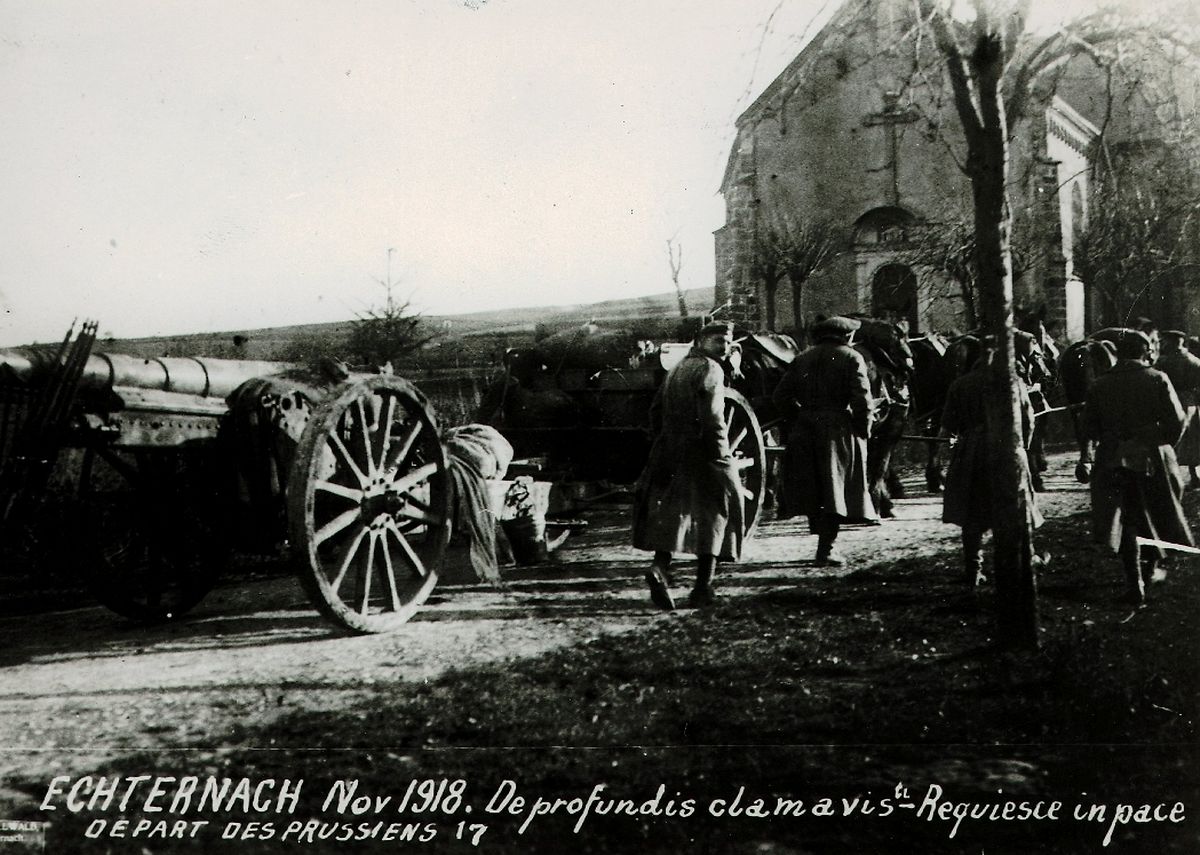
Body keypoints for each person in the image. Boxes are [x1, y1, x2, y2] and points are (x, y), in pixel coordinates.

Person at [631, 321, 744, 609]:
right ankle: (703, 588)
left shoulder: (678, 368)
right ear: (701, 340)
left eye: (727, 341)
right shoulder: (711, 369)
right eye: (718, 340)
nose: (724, 346)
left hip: (671, 451)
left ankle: (659, 569)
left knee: (673, 513)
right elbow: (713, 418)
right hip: (703, 452)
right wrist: (721, 458)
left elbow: (655, 410)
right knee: (717, 512)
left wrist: (665, 442)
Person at [1083, 329, 1192, 604]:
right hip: (1152, 456)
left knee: (1127, 519)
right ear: (1144, 351)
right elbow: (1177, 422)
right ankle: (1151, 568)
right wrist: (1164, 444)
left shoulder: (1099, 384)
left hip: (1112, 458)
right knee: (1155, 513)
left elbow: (1088, 427)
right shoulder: (1157, 379)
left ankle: (1135, 583)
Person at [938, 335, 1045, 586]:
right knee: (1013, 508)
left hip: (971, 453)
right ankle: (1020, 562)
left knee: (972, 512)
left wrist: (958, 444)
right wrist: (1023, 449)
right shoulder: (1013, 382)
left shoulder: (960, 384)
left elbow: (947, 427)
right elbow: (1028, 421)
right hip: (1006, 450)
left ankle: (973, 570)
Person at [771, 315, 877, 565]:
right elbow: (862, 400)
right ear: (846, 336)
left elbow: (780, 397)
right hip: (836, 430)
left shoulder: (802, 358)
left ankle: (823, 545)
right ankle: (826, 549)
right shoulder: (852, 357)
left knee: (814, 487)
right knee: (834, 488)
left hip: (804, 430)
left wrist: (798, 417)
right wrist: (864, 429)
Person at [1155, 330, 1200, 489]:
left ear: (1173, 342)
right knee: (1192, 440)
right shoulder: (1194, 360)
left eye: (1166, 341)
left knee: (1169, 439)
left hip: (1169, 402)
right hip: (1190, 403)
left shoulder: (1163, 361)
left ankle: (1169, 479)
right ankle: (1195, 476)